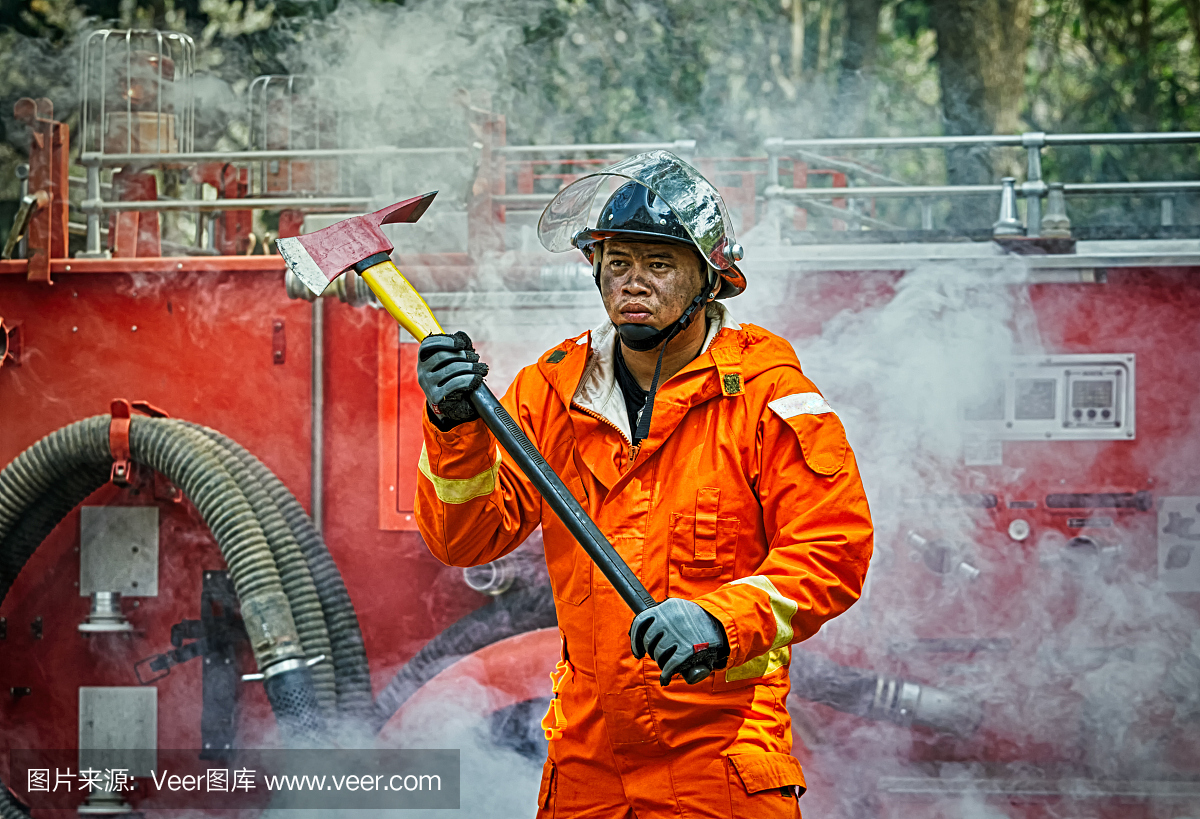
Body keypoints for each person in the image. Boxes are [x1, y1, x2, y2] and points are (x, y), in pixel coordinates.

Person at [414, 151, 873, 818]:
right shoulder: (551, 390)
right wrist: (454, 428)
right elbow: (466, 540)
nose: (633, 281)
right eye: (618, 262)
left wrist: (720, 619)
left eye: (659, 264)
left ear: (708, 279)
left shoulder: (766, 396)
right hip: (587, 763)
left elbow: (833, 552)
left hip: (719, 760)